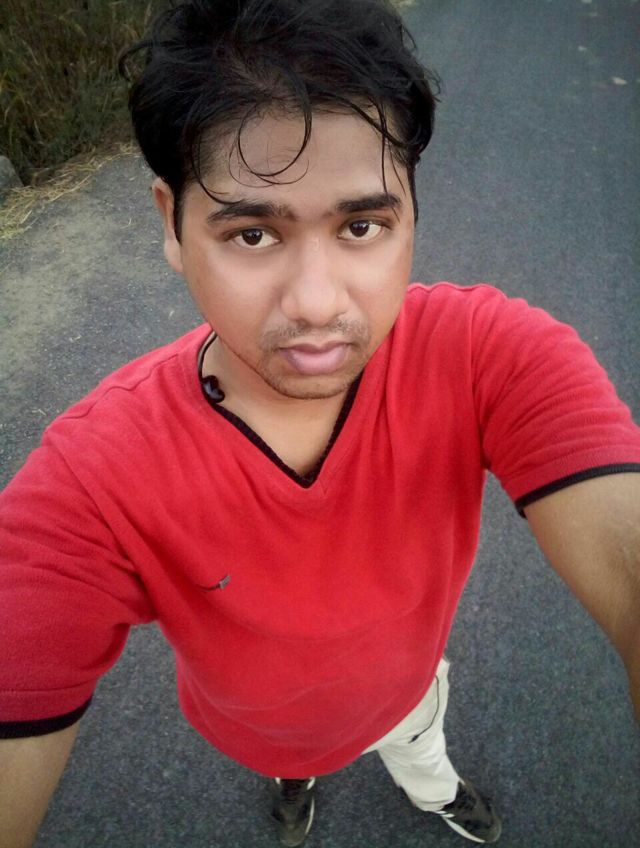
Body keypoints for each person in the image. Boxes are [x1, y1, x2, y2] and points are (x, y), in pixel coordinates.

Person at [1, 0, 639, 846]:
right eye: (253, 234)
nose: (315, 303)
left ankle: (438, 793)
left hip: (408, 694)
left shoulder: (488, 354)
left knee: (422, 753)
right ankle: (295, 784)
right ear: (170, 223)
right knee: (288, 761)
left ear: (413, 213)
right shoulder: (92, 479)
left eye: (362, 226)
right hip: (255, 727)